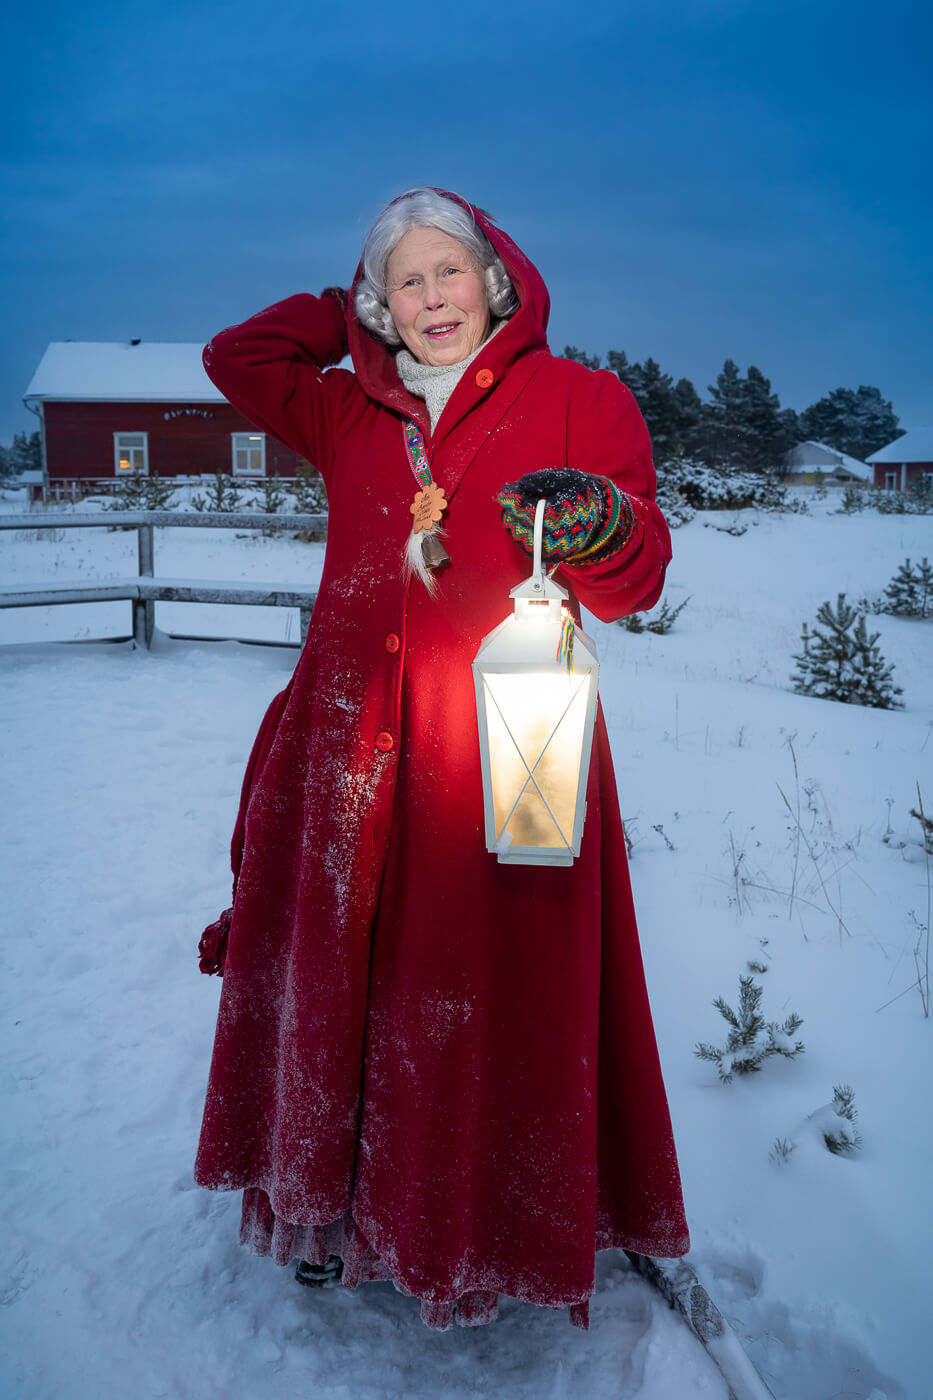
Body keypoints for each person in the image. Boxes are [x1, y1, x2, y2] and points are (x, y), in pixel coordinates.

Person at [194, 187, 689, 1331]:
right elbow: (236, 356)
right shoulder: (348, 410)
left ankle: (476, 1227)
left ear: (497, 278)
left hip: (501, 748)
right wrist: (340, 314)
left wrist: (594, 525)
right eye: (404, 280)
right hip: (348, 742)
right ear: (381, 303)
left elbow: (639, 572)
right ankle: (343, 1205)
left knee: (474, 995)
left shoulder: (579, 398)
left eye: (449, 271)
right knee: (348, 980)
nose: (431, 298)